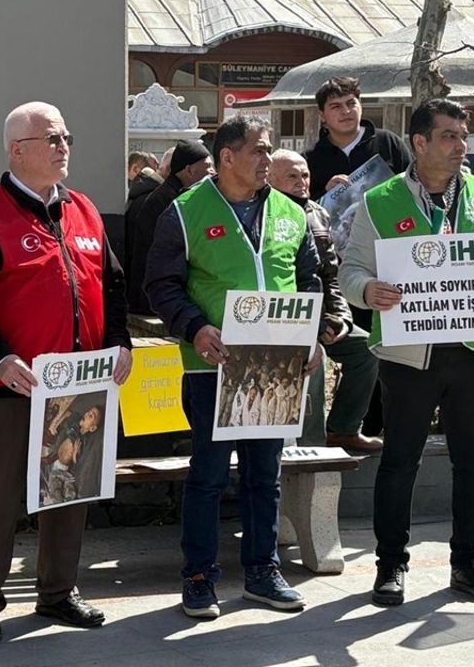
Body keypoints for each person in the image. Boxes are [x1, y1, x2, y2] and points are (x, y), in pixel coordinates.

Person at [0, 101, 133, 643]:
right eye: (51, 138)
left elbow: (114, 286)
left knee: (70, 486)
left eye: (66, 137)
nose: (63, 146)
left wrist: (119, 342)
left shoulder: (86, 210)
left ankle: (58, 592)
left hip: (80, 380)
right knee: (1, 494)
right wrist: (0, 358)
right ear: (17, 151)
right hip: (16, 382)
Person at [339, 99, 474, 608]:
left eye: (462, 136)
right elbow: (351, 270)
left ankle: (468, 563)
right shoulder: (378, 200)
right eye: (448, 136)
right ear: (419, 143)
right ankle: (390, 566)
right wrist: (368, 292)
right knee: (399, 461)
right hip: (409, 356)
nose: (460, 146)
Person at [145, 115, 323, 619]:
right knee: (208, 476)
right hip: (211, 366)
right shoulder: (185, 212)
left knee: (265, 475)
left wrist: (309, 337)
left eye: (269, 152)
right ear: (227, 157)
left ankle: (262, 572)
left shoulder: (291, 212)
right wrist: (196, 327)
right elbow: (161, 285)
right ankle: (199, 577)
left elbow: (309, 279)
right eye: (260, 151)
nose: (269, 160)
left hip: (275, 364)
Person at [304, 76, 411, 439]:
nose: (345, 112)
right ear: (322, 116)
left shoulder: (389, 145)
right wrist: (324, 192)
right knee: (362, 343)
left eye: (351, 103)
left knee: (393, 344)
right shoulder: (312, 160)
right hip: (340, 271)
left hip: (391, 258)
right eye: (336, 106)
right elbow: (299, 211)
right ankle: (346, 427)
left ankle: (385, 425)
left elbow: (414, 185)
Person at [269, 150, 381, 452]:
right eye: (292, 176)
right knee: (312, 359)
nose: (301, 182)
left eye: (304, 175)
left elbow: (331, 274)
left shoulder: (318, 213)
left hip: (323, 315)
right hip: (282, 318)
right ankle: (310, 446)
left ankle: (344, 429)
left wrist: (341, 317)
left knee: (368, 348)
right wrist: (313, 327)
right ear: (270, 179)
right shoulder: (265, 212)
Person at [126, 140, 213, 315]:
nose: (212, 174)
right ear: (189, 170)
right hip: (154, 302)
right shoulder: (168, 203)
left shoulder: (175, 196)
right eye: (208, 168)